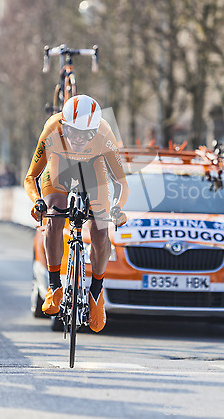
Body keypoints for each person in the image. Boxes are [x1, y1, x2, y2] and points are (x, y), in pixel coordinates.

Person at [24, 95, 129, 332]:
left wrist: (117, 207)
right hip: (59, 167)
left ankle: (96, 295)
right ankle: (54, 286)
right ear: (64, 125)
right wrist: (37, 201)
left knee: (101, 230)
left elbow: (122, 184)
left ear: (95, 131)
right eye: (74, 132)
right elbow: (31, 177)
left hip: (93, 171)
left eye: (87, 134)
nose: (80, 139)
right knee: (53, 216)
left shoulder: (105, 133)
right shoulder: (52, 128)